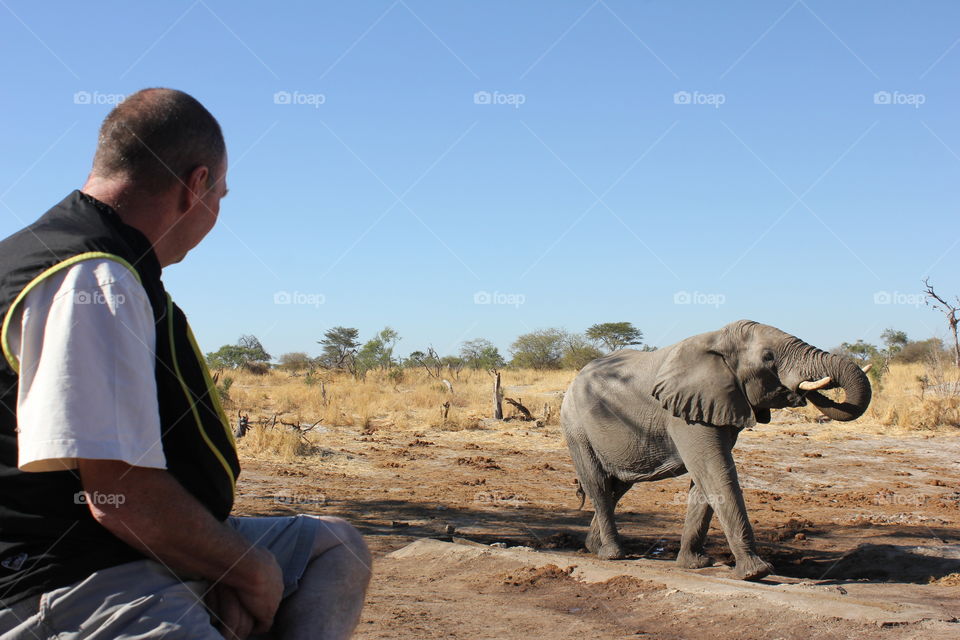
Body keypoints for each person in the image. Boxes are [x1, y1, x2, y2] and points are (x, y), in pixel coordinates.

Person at [0, 88, 371, 639]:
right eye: (221, 193)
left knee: (335, 546)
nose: (216, 210)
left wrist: (212, 556)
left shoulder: (59, 252)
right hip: (65, 575)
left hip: (124, 545)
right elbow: (119, 497)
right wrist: (246, 569)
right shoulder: (94, 277)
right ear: (196, 186)